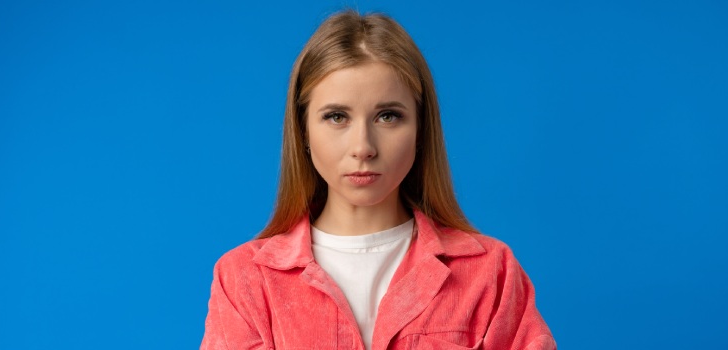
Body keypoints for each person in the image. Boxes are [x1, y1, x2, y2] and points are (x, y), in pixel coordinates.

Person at [201, 10, 555, 350]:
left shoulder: (490, 272)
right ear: (303, 131)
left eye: (388, 116)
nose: (363, 147)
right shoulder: (245, 280)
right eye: (337, 116)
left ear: (420, 129)